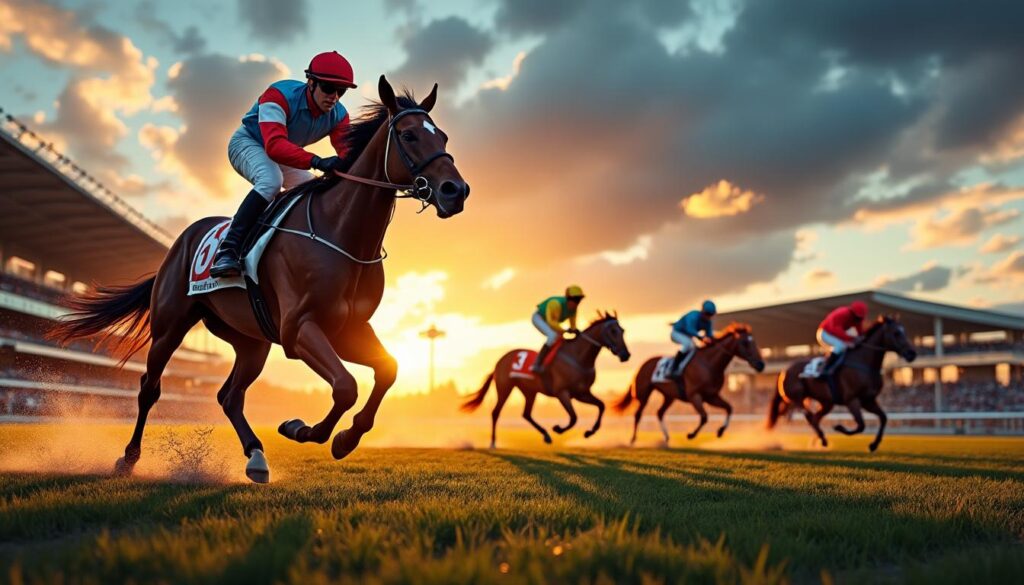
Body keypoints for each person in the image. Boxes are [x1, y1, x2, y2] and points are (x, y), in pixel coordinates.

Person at [210, 51, 357, 277]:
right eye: (328, 88)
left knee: (311, 191)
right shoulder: (278, 94)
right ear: (311, 82)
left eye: (341, 91)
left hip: (286, 153)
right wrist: (317, 161)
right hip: (249, 142)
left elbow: (348, 154)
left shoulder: (339, 115)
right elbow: (275, 146)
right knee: (271, 180)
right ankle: (228, 250)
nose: (334, 97)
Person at [817, 300, 868, 398]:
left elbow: (860, 333)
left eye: (860, 319)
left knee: (847, 345)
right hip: (824, 333)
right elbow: (836, 330)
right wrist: (850, 339)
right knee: (841, 346)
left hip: (835, 334)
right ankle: (825, 368)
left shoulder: (857, 318)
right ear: (852, 313)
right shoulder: (842, 313)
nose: (858, 320)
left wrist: (862, 339)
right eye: (857, 318)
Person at [531, 285, 585, 375]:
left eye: (579, 300)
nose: (576, 303)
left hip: (551, 322)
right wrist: (564, 331)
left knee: (561, 339)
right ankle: (537, 363)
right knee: (552, 336)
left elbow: (573, 325)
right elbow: (551, 322)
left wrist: (575, 330)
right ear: (568, 298)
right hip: (539, 318)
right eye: (575, 300)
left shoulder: (574, 310)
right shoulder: (555, 304)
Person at [669, 299, 716, 375]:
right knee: (688, 344)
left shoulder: (708, 322)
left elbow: (710, 335)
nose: (708, 317)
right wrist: (701, 338)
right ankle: (673, 368)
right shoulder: (693, 316)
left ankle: (685, 368)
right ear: (702, 311)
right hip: (677, 333)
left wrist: (713, 341)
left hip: (688, 336)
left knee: (694, 349)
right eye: (707, 314)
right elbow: (690, 329)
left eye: (710, 315)